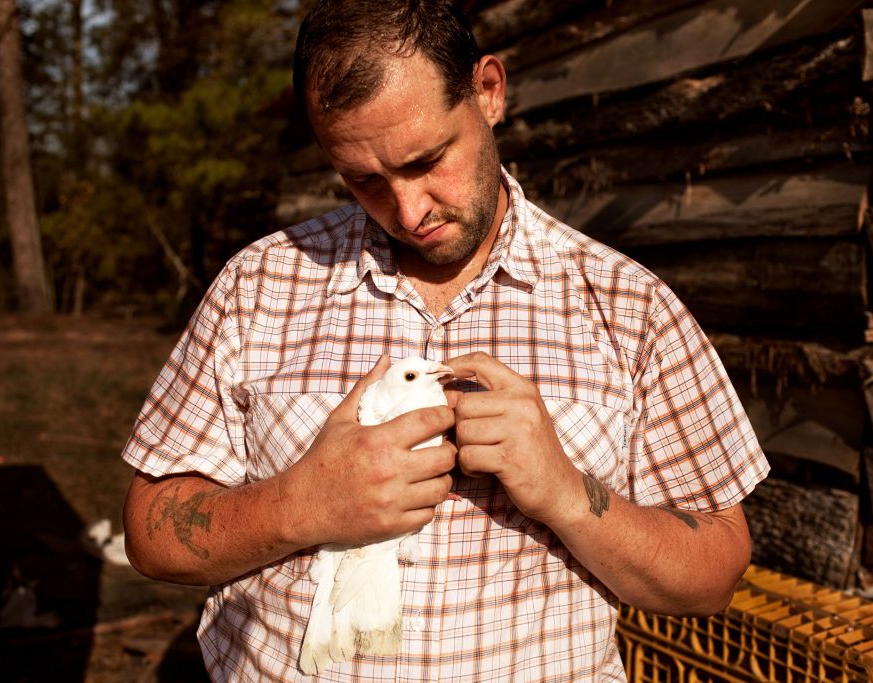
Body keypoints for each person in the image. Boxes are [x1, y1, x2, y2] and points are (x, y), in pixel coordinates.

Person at [120, 0, 770, 680]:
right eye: (364, 179)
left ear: (489, 91)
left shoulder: (629, 308)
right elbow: (150, 531)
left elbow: (713, 573)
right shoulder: (255, 287)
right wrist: (302, 503)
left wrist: (566, 492)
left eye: (427, 160)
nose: (408, 210)